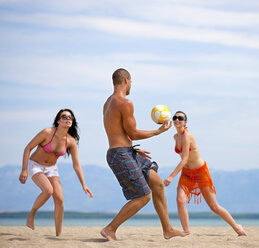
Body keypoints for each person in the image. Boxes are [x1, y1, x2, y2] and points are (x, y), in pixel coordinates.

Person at [102, 68, 187, 241]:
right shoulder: (126, 103)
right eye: (131, 81)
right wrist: (158, 131)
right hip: (121, 154)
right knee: (144, 196)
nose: (131, 84)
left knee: (157, 184)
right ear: (126, 80)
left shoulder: (108, 102)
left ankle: (168, 229)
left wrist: (131, 148)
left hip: (125, 151)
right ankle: (110, 229)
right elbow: (133, 133)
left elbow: (119, 132)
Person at [164, 111, 247, 236]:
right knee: (180, 200)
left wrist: (171, 176)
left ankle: (237, 228)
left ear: (185, 122)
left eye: (180, 118)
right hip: (187, 173)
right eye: (175, 117)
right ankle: (186, 231)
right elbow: (184, 161)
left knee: (214, 207)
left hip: (200, 172)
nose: (177, 120)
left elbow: (185, 158)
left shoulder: (187, 136)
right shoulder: (175, 137)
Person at [19, 109, 93, 236]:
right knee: (48, 190)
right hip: (35, 165)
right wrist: (24, 169)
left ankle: (58, 234)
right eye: (64, 116)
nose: (68, 119)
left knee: (59, 199)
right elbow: (28, 148)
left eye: (70, 117)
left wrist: (84, 184)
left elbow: (76, 164)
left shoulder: (70, 141)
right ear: (58, 121)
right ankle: (32, 213)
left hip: (51, 169)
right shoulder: (47, 133)